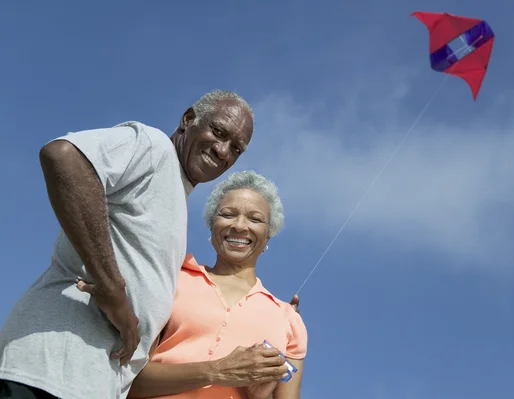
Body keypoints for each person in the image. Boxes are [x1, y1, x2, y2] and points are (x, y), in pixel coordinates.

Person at [0, 90, 262, 399]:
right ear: (188, 119)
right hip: (48, 372)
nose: (223, 151)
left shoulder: (176, 199)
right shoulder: (154, 148)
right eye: (218, 132)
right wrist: (111, 287)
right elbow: (64, 157)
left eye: (236, 148)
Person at [123, 170, 308, 399]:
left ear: (268, 234)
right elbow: (125, 381)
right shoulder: (172, 281)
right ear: (212, 226)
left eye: (255, 218)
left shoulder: (289, 321)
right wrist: (217, 371)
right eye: (228, 214)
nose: (240, 226)